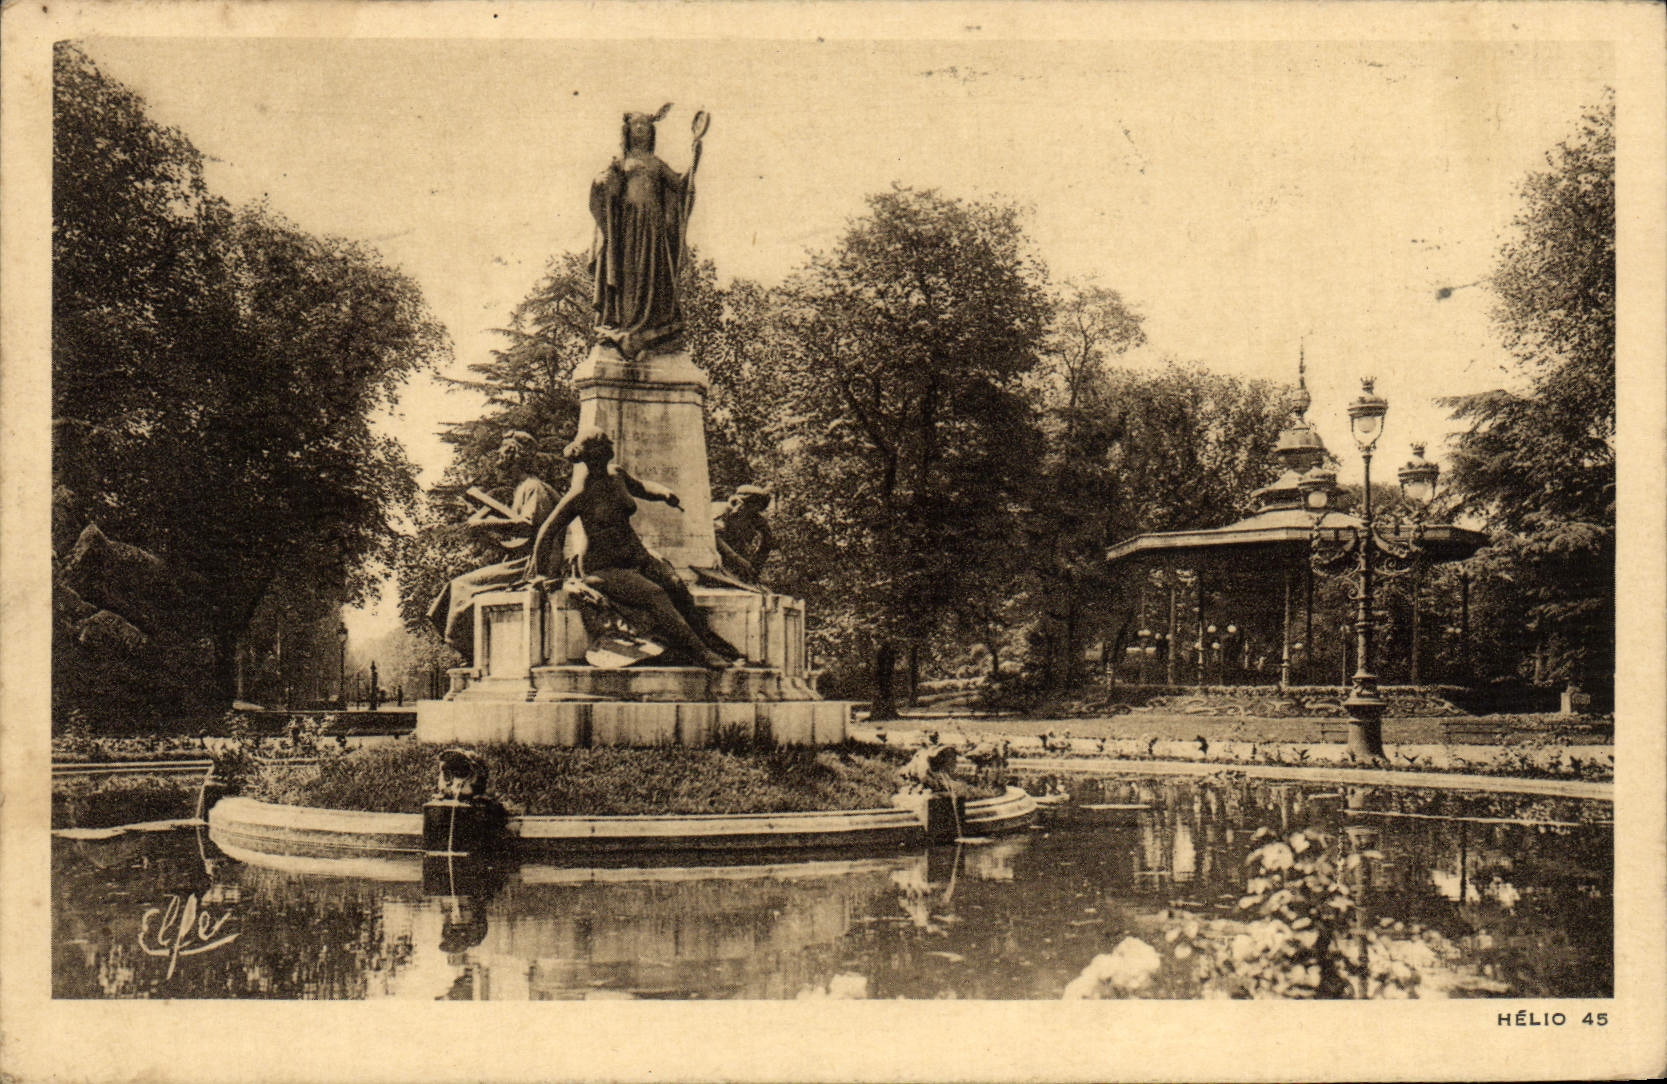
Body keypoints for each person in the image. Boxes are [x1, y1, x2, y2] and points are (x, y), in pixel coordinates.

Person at [526, 428, 740, 669]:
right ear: (593, 454)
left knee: (676, 584)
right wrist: (540, 573)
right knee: (655, 594)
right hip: (605, 568)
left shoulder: (616, 474)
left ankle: (708, 641)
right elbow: (547, 531)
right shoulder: (581, 493)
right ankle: (701, 653)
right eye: (605, 443)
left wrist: (663, 493)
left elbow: (641, 487)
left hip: (638, 557)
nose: (611, 445)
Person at [426, 431, 560, 657]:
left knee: (460, 587)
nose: (497, 458)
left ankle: (473, 653)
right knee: (455, 588)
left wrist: (486, 523)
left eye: (501, 454)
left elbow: (527, 526)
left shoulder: (533, 488)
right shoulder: (523, 489)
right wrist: (486, 530)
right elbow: (515, 543)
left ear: (513, 456)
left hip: (532, 565)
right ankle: (472, 652)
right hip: (520, 560)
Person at [589, 104, 703, 358]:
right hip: (627, 228)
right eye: (636, 125)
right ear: (627, 131)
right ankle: (624, 324)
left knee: (652, 275)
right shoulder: (621, 162)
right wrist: (601, 181)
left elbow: (680, 185)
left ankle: (651, 324)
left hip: (653, 229)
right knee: (628, 276)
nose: (641, 129)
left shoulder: (656, 164)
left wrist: (694, 159)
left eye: (645, 125)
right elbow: (605, 188)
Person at [712, 484, 774, 583]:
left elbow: (768, 541)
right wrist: (739, 560)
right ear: (742, 503)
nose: (754, 513)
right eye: (751, 507)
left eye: (757, 508)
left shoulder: (756, 518)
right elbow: (715, 538)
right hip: (716, 559)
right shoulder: (723, 511)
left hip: (739, 561)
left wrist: (756, 564)